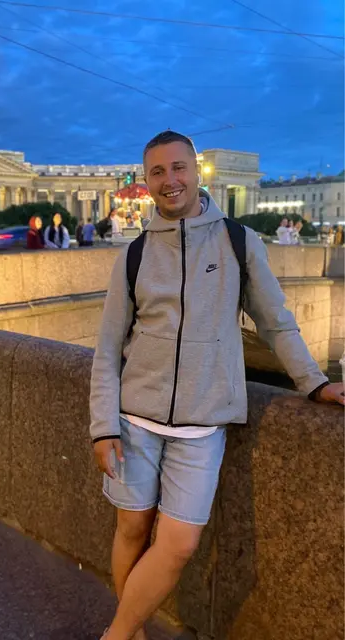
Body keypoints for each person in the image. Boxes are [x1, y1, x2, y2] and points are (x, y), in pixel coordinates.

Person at [90, 130, 344, 640]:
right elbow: (109, 345)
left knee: (180, 543)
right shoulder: (134, 254)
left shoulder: (239, 241)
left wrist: (314, 382)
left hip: (202, 426)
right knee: (132, 529)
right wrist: (103, 427)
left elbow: (275, 323)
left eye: (178, 167)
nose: (170, 180)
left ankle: (115, 634)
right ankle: (131, 633)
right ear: (147, 180)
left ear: (196, 172)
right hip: (134, 420)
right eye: (158, 172)